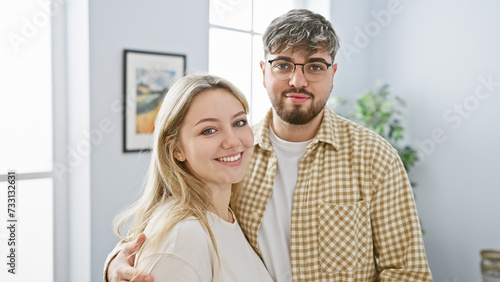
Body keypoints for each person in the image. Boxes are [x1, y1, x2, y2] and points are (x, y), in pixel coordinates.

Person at [105, 9, 432, 281]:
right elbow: (174, 223)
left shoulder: (374, 157)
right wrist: (115, 263)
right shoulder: (235, 156)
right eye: (283, 64)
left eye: (315, 66)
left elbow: (407, 272)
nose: (298, 81)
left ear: (333, 74)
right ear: (264, 72)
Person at [109, 74, 273, 282]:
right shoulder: (183, 237)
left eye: (239, 122)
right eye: (209, 130)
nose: (232, 141)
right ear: (176, 149)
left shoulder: (225, 215)